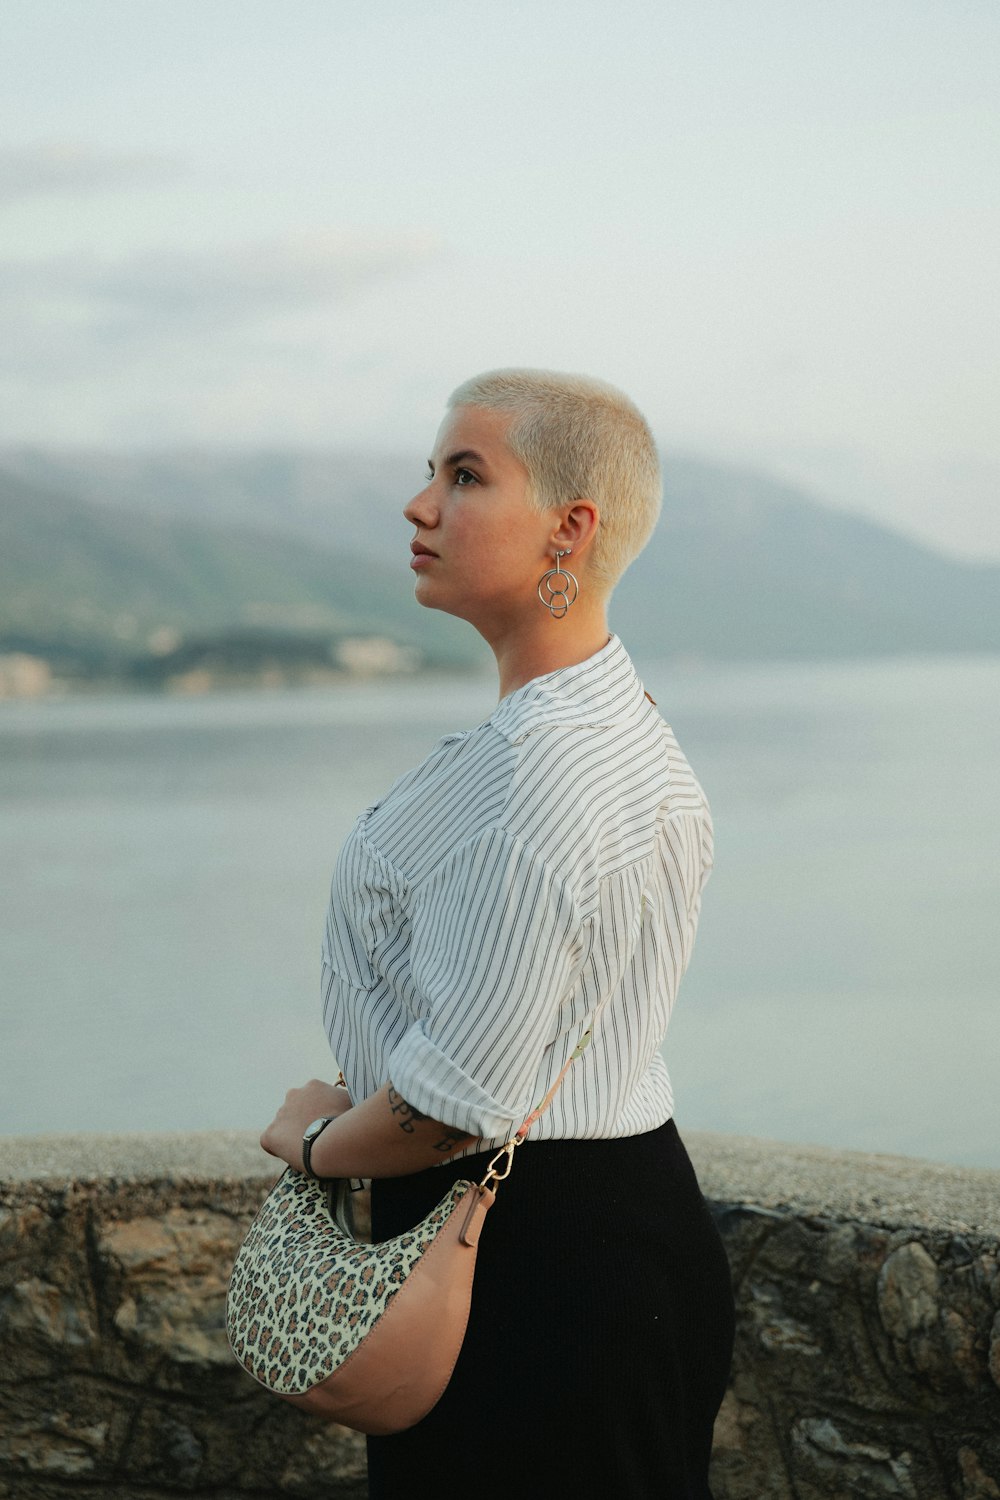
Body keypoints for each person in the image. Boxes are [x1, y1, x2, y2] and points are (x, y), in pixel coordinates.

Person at [261, 369, 735, 1499]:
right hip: (619, 1230)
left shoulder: (535, 772)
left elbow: (446, 1110)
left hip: (524, 1268)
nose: (419, 506)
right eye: (430, 473)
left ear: (571, 529)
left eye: (463, 476)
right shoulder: (622, 725)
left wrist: (313, 1144)